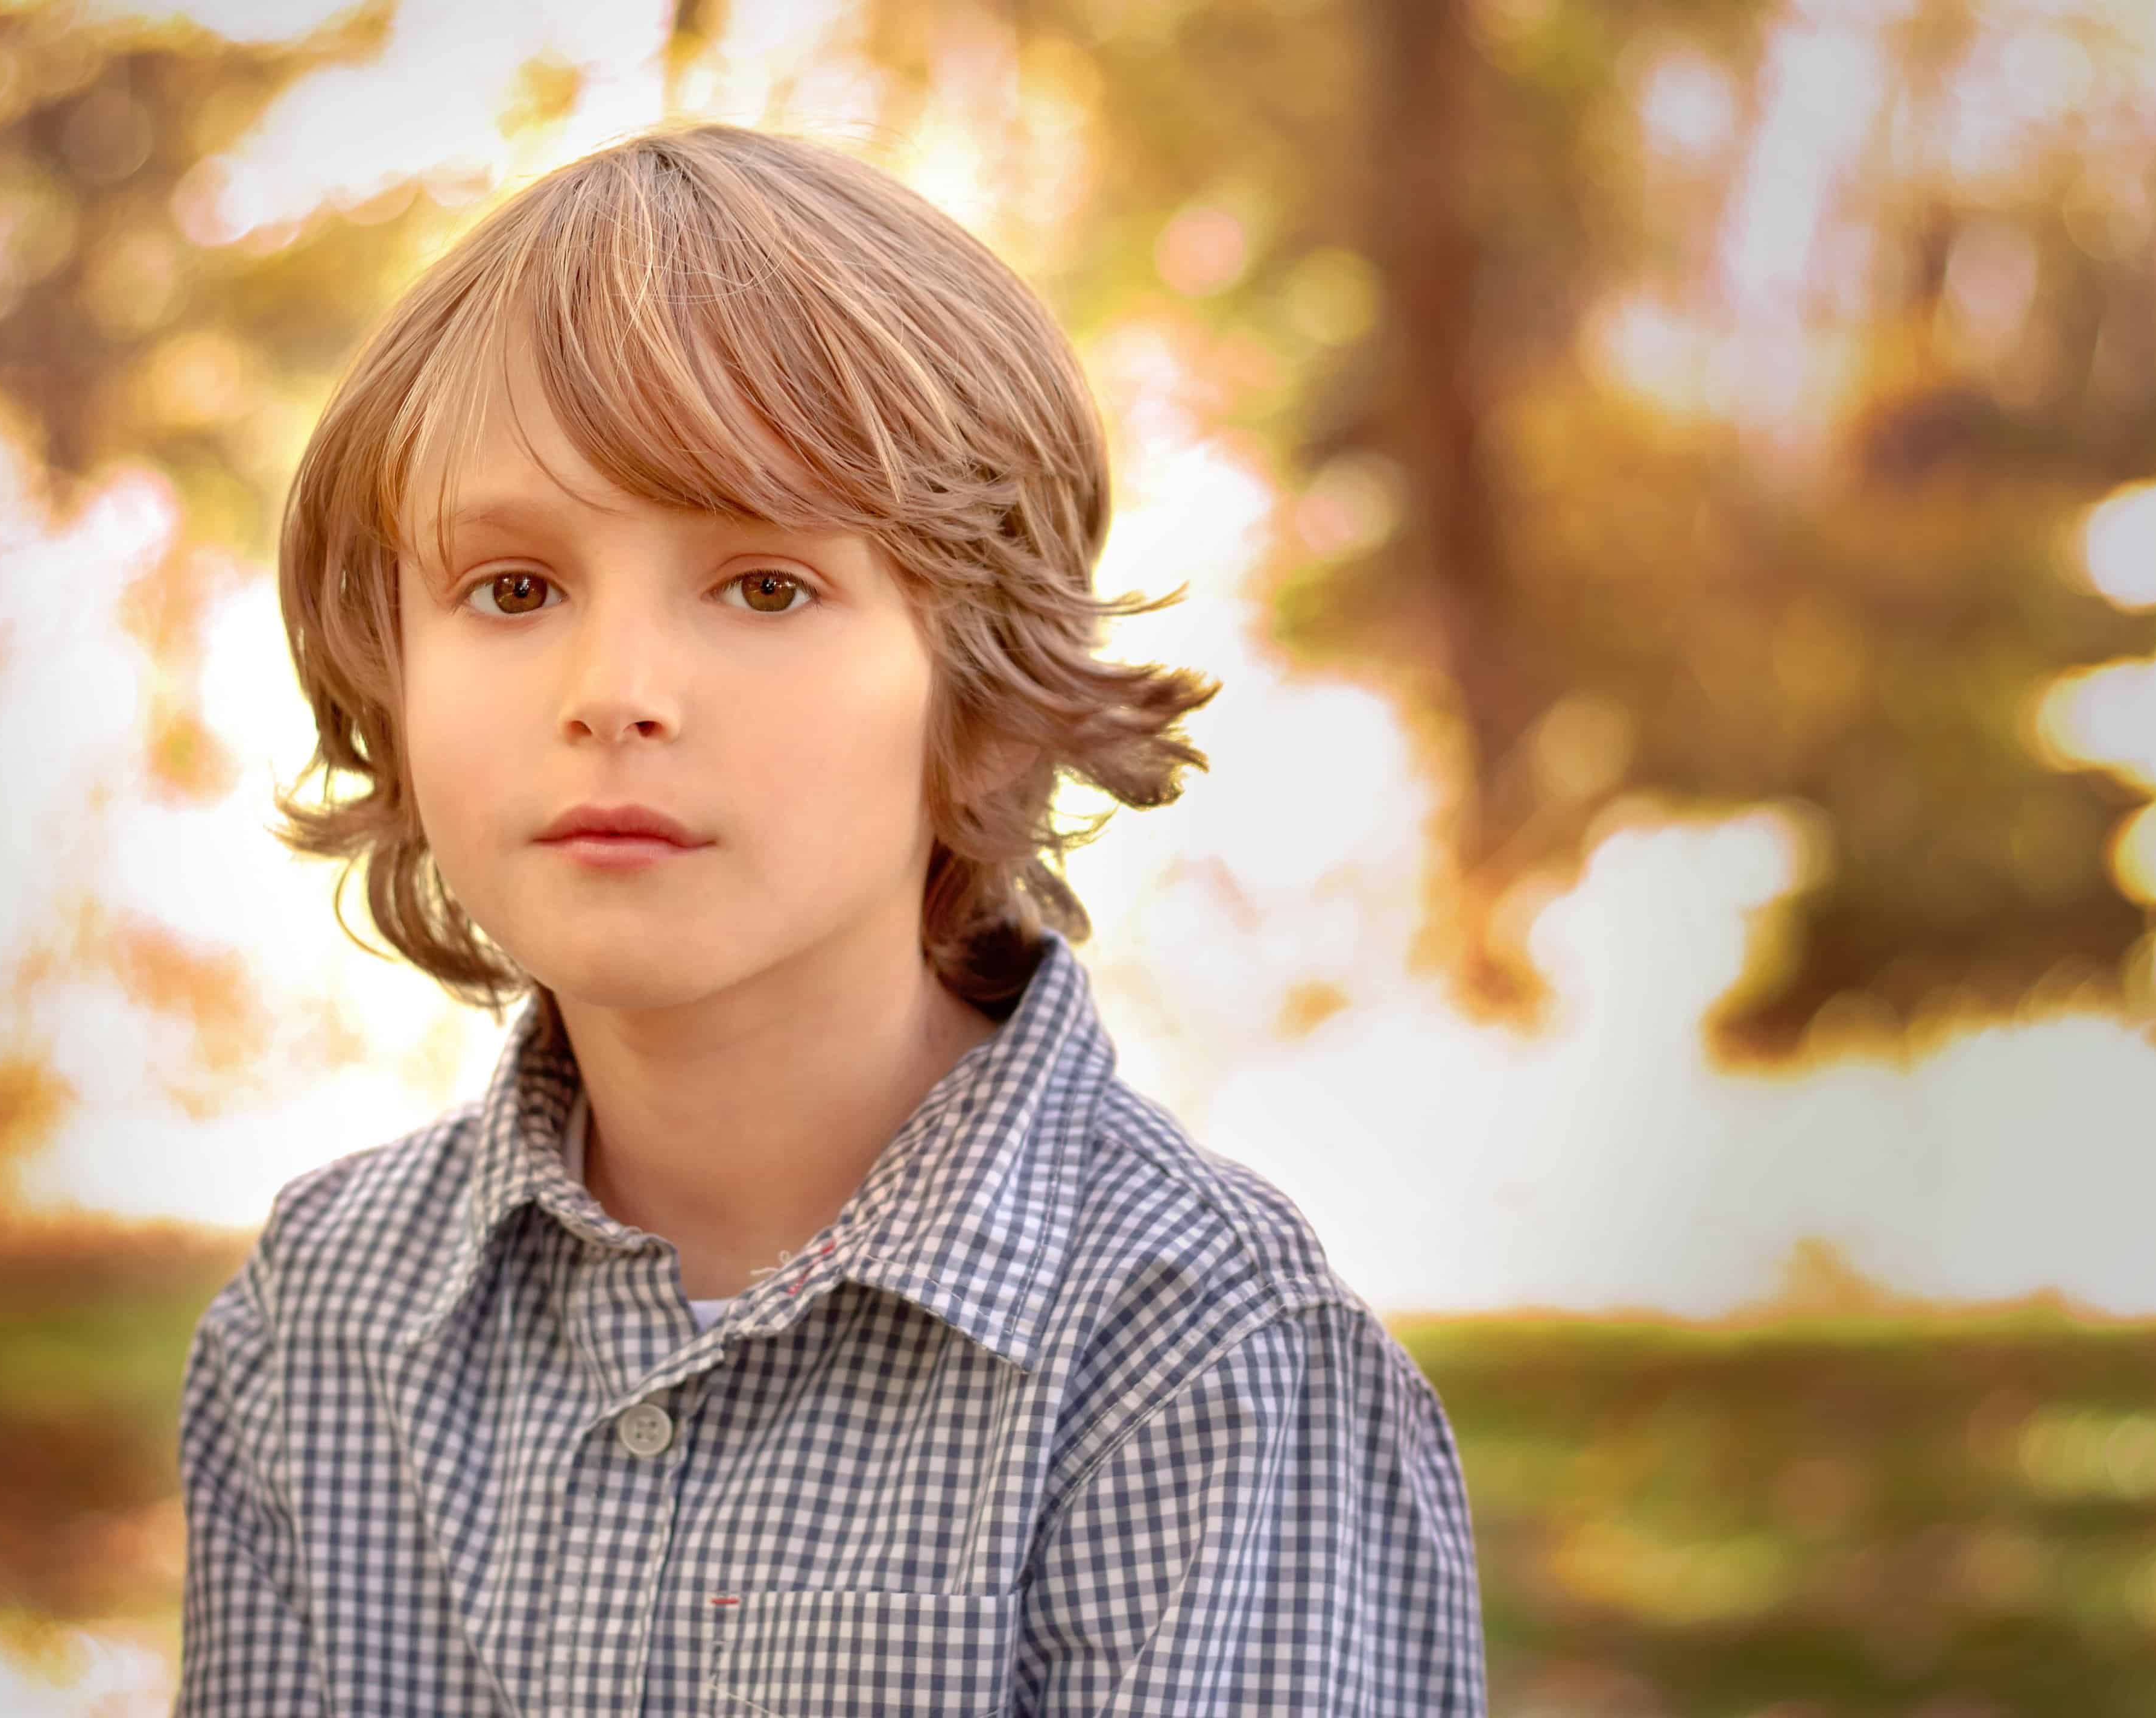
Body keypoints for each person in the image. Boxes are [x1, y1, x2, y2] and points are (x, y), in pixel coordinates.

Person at [174, 121, 1486, 1716]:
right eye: (515, 589)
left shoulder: (1202, 1362)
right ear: (386, 672)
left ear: (986, 702)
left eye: (765, 586)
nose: (615, 696)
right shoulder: (323, 1320)